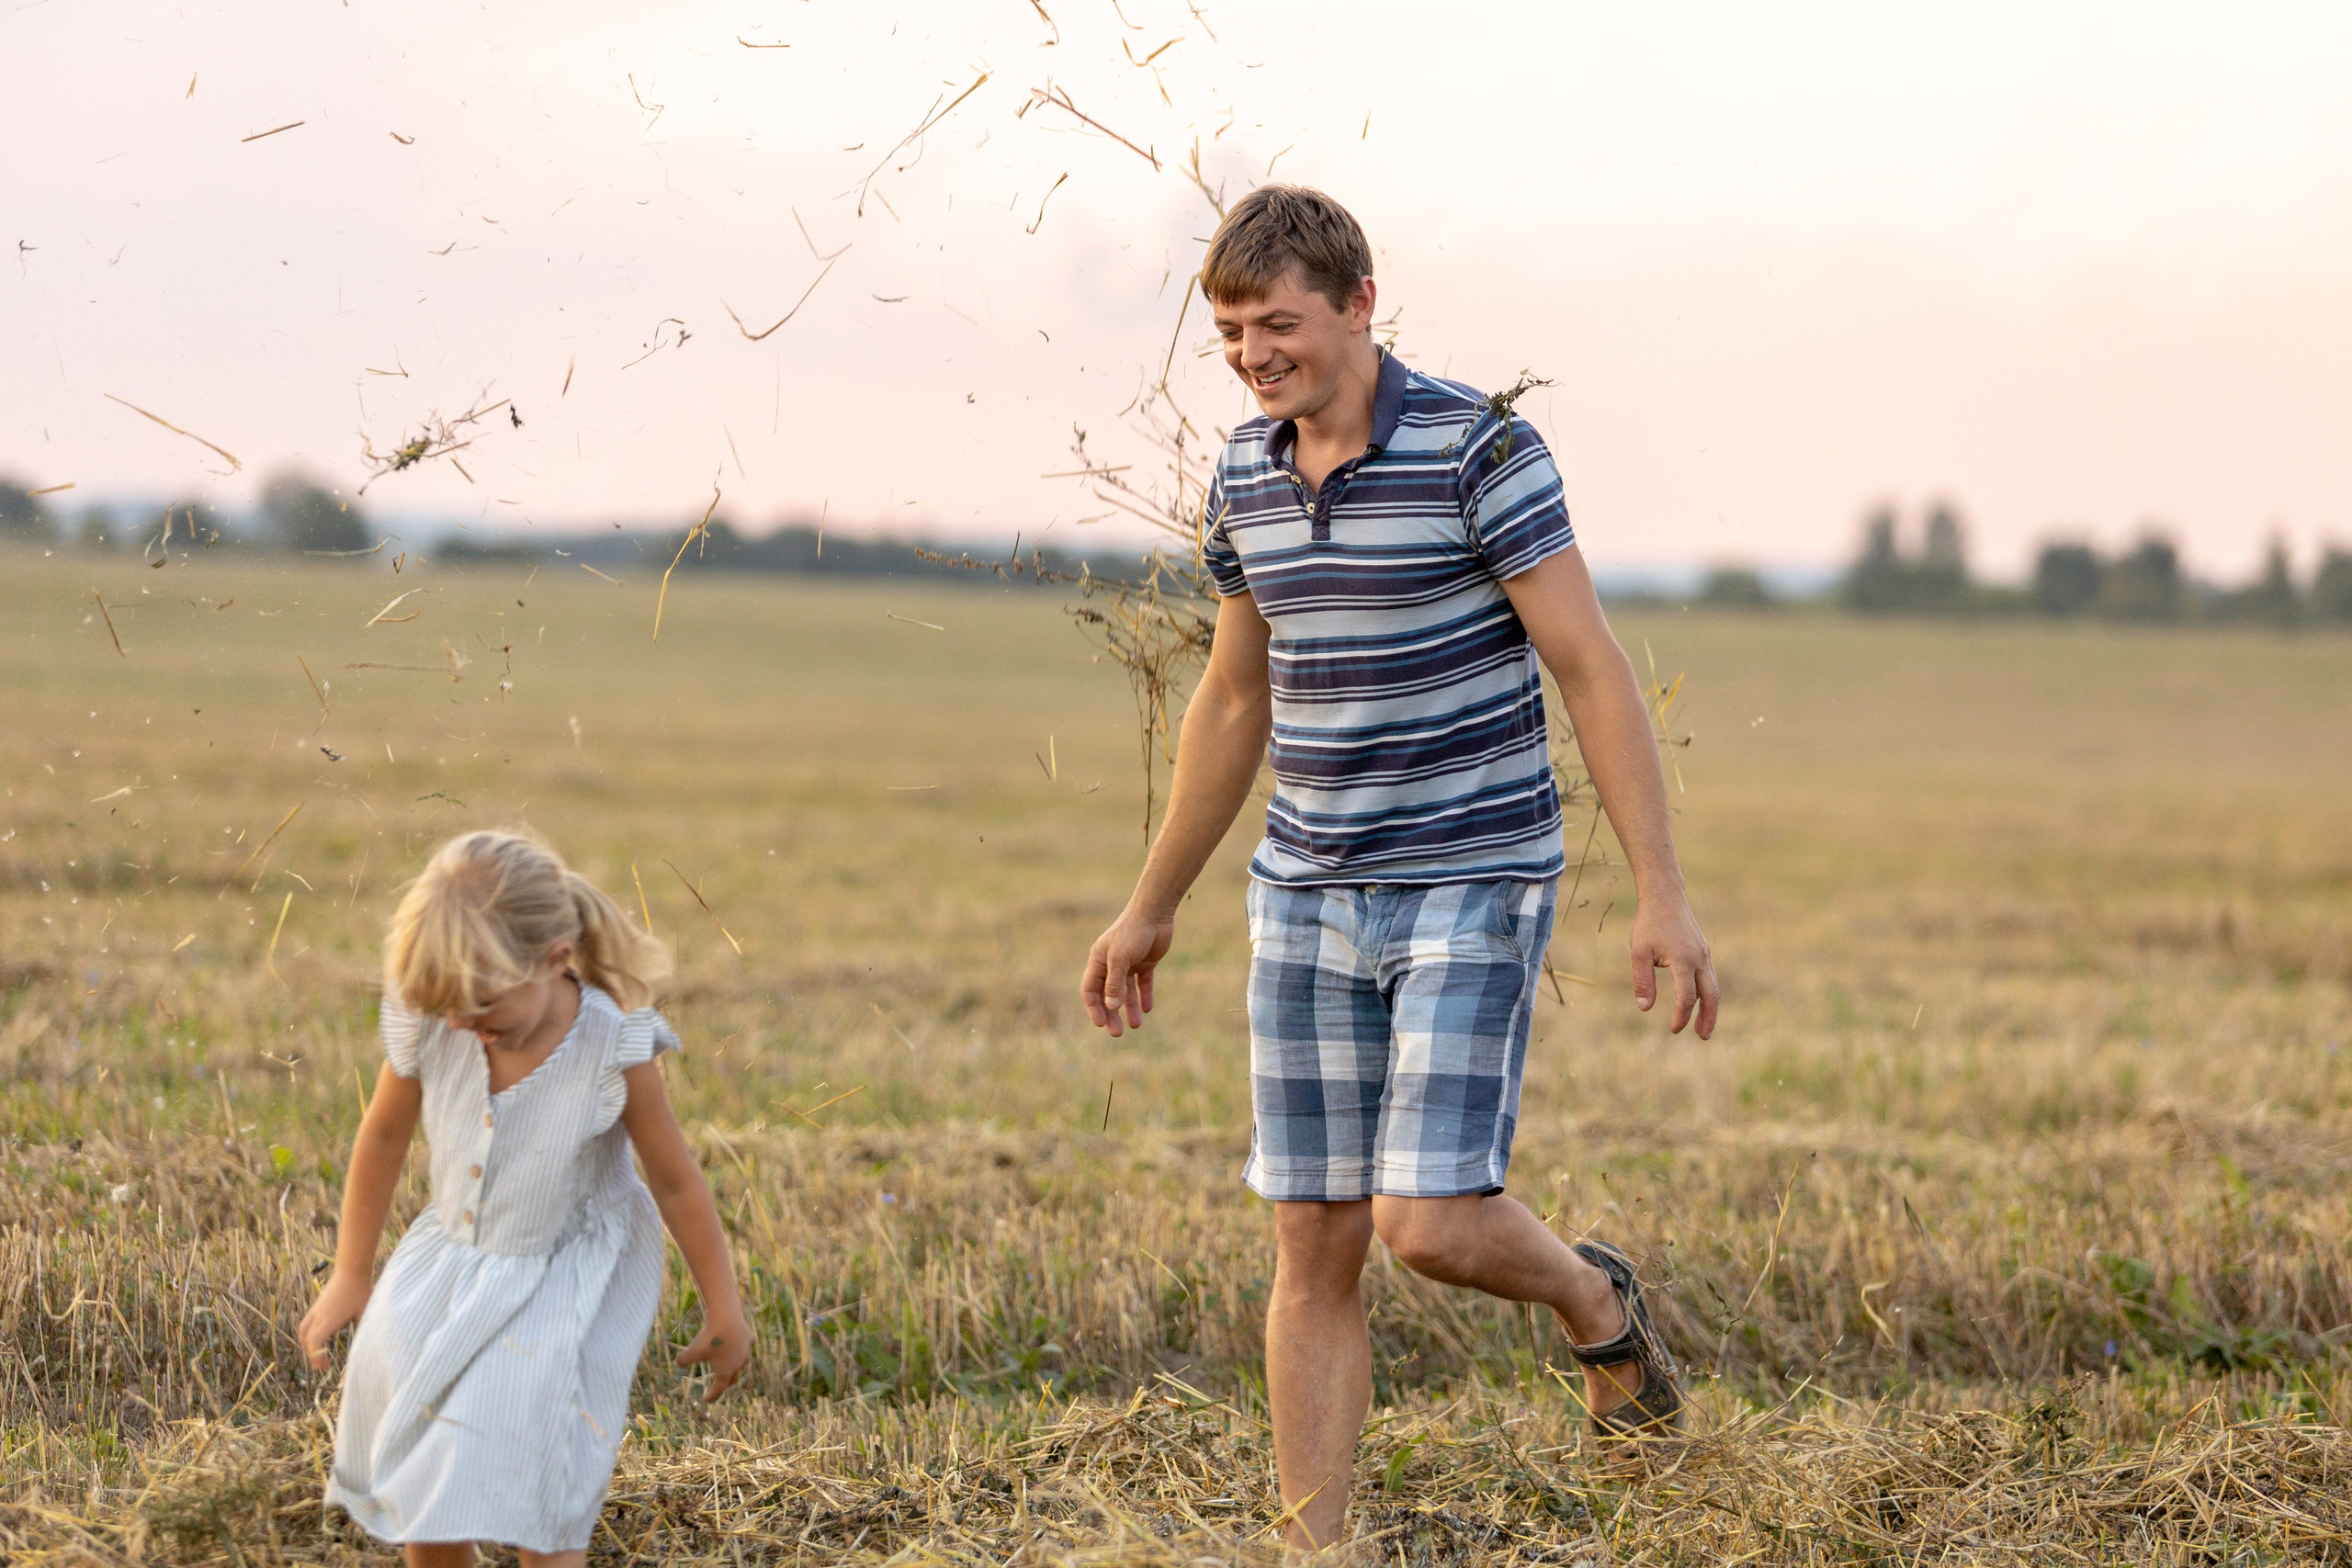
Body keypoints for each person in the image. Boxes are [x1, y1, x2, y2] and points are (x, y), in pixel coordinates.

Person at [1079, 186, 1722, 1551]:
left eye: (1281, 324)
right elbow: (1233, 696)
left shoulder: (1484, 450)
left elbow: (1591, 669)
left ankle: (1593, 1300)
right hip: (1303, 885)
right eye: (1234, 332)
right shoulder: (1244, 475)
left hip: (1473, 873)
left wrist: (1663, 893)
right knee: (1313, 1248)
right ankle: (1313, 1545)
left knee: (1424, 1222)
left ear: (1362, 304)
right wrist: (1151, 903)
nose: (1256, 356)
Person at [299, 829, 752, 1568]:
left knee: (544, 1476)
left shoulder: (613, 1044)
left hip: (564, 1280)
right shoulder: (437, 1017)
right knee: (427, 1457)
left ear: (555, 957)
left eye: (479, 1003)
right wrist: (352, 1271)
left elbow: (675, 1178)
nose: (459, 1024)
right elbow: (382, 1137)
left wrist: (723, 1303)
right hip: (452, 1263)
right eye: (442, 1005)